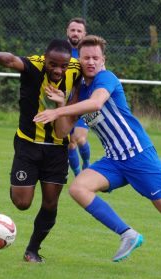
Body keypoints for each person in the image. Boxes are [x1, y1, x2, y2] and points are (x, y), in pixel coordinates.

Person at [33, 35, 161, 275]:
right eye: (86, 57)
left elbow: (97, 104)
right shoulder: (79, 91)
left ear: (103, 60)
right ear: (79, 60)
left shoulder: (106, 78)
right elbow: (62, 131)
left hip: (139, 156)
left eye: (95, 58)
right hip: (114, 160)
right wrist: (60, 106)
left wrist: (61, 110)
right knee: (78, 188)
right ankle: (128, 234)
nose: (90, 62)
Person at [0, 39, 81, 263]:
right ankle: (18, 182)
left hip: (57, 149)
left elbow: (95, 71)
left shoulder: (76, 69)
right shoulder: (33, 65)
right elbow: (11, 59)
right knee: (22, 203)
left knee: (51, 202)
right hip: (28, 144)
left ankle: (32, 250)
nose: (58, 70)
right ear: (45, 58)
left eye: (63, 66)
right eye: (53, 65)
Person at [66, 17, 91, 176]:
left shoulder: (89, 53)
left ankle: (87, 164)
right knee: (69, 143)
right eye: (73, 30)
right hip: (66, 106)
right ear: (67, 32)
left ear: (84, 34)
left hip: (86, 104)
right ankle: (78, 175)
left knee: (79, 139)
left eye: (79, 31)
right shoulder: (60, 52)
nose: (75, 33)